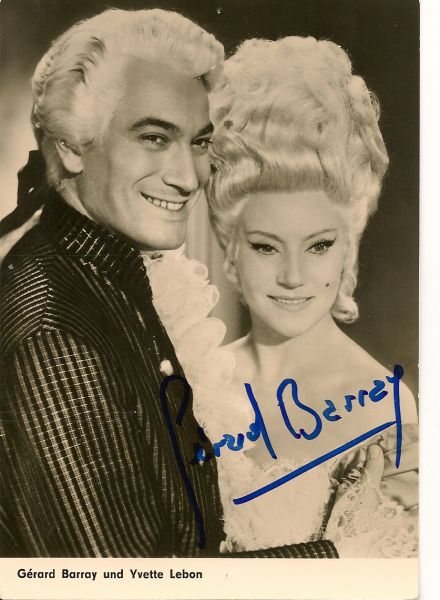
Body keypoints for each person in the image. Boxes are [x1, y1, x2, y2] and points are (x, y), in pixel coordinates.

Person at [0, 8, 347, 558]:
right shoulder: (57, 333)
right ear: (70, 144)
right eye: (155, 138)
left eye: (199, 143)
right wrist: (343, 552)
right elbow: (129, 590)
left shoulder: (112, 279)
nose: (188, 178)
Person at [191, 36, 417, 556]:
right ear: (232, 251)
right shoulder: (195, 379)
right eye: (266, 247)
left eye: (318, 246)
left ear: (347, 250)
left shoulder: (385, 407)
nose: (293, 276)